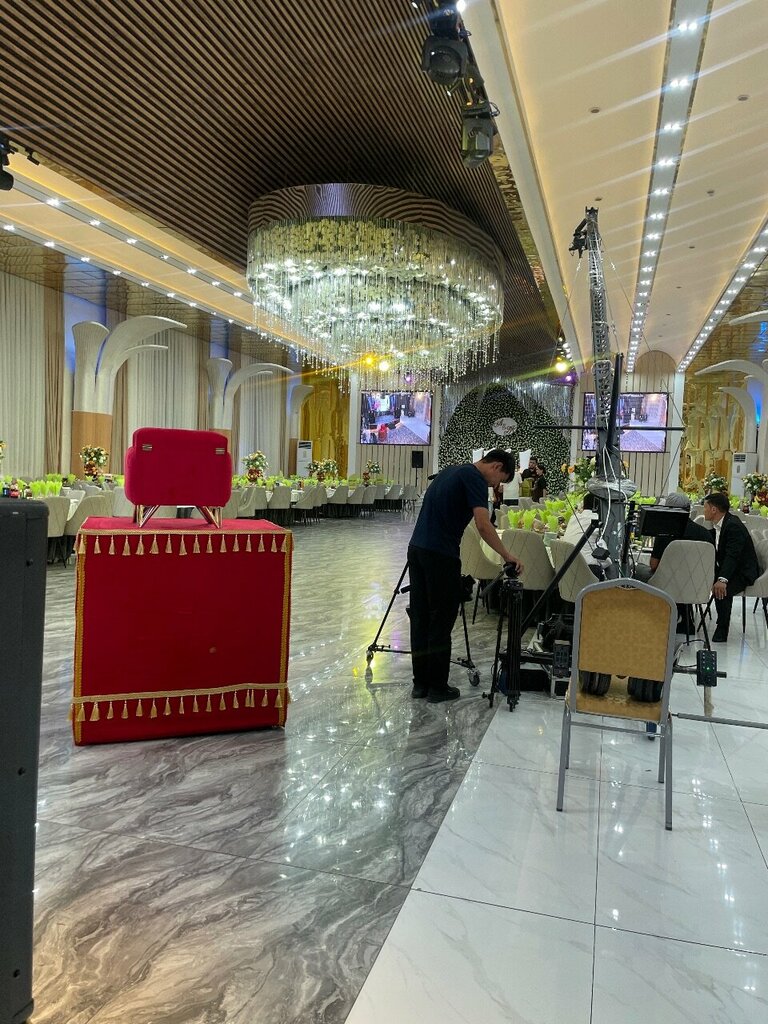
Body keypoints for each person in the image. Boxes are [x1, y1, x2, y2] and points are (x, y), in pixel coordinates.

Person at [407, 449, 523, 703]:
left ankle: (420, 684)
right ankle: (437, 687)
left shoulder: (449, 471)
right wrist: (507, 555)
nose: (496, 486)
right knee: (441, 620)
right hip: (441, 555)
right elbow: (483, 524)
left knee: (421, 618)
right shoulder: (475, 479)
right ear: (496, 466)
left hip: (417, 549)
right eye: (500, 480)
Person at [703, 492, 760, 641]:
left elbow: (732, 556)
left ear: (714, 509)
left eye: (705, 507)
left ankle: (722, 629)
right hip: (731, 567)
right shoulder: (721, 524)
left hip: (743, 571)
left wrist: (722, 579)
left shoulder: (733, 526)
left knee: (722, 589)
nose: (704, 511)